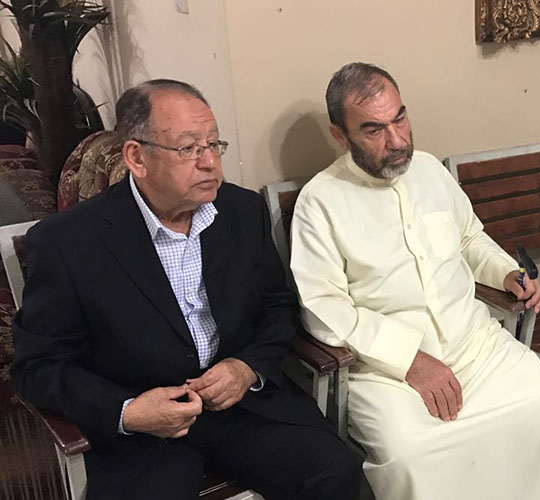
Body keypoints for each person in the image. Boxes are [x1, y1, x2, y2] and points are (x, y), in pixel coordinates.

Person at [11, 79, 361, 500]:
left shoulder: (241, 211)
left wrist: (246, 368)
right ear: (136, 157)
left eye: (214, 145)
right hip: (141, 431)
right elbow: (38, 366)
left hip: (241, 406)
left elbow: (276, 305)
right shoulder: (67, 242)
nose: (210, 163)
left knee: (334, 471)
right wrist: (128, 412)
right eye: (189, 148)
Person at [289, 62, 540, 500]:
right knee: (412, 454)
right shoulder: (320, 203)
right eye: (374, 130)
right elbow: (323, 310)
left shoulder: (429, 170)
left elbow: (469, 239)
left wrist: (506, 272)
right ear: (340, 136)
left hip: (475, 344)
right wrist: (410, 360)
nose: (396, 140)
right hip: (386, 371)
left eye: (400, 118)